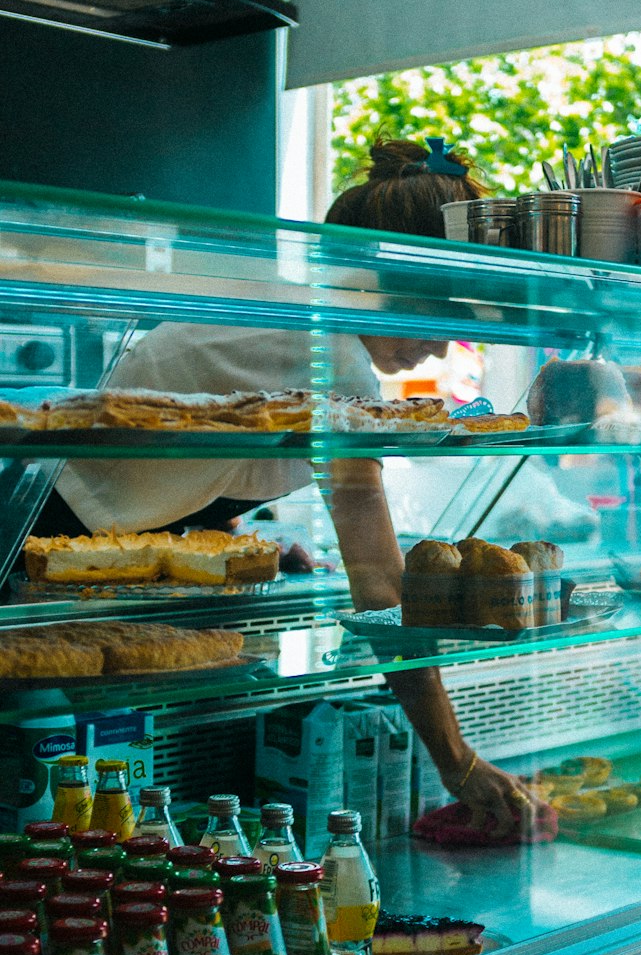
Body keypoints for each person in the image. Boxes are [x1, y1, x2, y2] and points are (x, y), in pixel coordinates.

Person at [32, 136, 536, 835]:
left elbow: (192, 449)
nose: (443, 345)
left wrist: (229, 534)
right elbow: (384, 591)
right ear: (373, 279)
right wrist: (457, 760)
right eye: (433, 308)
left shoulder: (285, 309)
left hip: (64, 555)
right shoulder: (333, 361)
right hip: (34, 573)